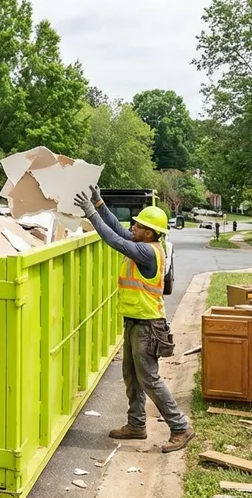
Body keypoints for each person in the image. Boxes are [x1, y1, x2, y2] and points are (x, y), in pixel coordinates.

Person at [74, 185, 194, 453]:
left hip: (147, 326)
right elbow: (120, 232)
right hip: (135, 322)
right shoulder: (145, 244)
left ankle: (180, 427)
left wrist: (91, 214)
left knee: (149, 379)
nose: (133, 228)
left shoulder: (147, 252)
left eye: (138, 226)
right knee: (131, 375)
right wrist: (100, 204)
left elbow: (115, 241)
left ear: (149, 233)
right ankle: (136, 425)